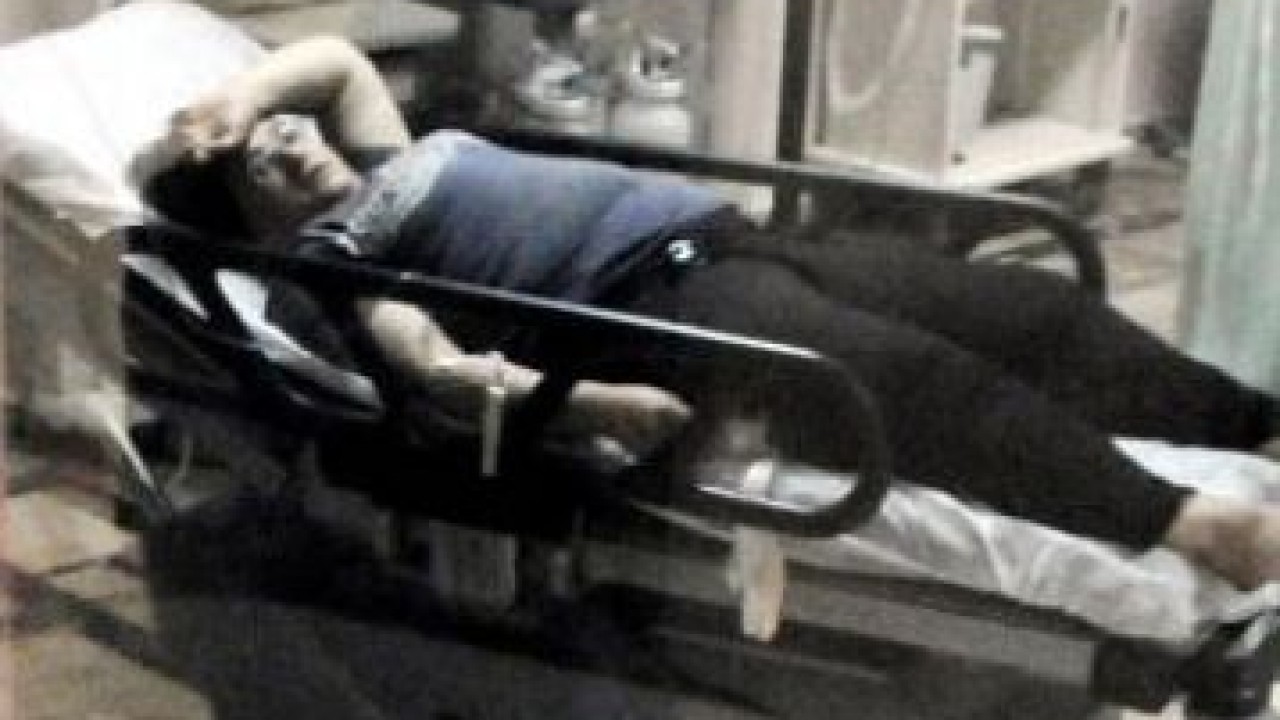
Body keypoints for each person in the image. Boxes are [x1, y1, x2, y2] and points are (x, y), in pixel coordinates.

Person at [151, 35, 1280, 590]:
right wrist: (590, 402)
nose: (286, 145)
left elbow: (330, 59)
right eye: (260, 164)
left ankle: (1253, 426)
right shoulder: (335, 257)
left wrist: (239, 100)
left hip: (746, 238)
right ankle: (1195, 527)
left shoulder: (382, 151)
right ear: (253, 226)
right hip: (666, 305)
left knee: (1033, 311)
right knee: (915, 381)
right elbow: (429, 364)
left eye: (286, 130)